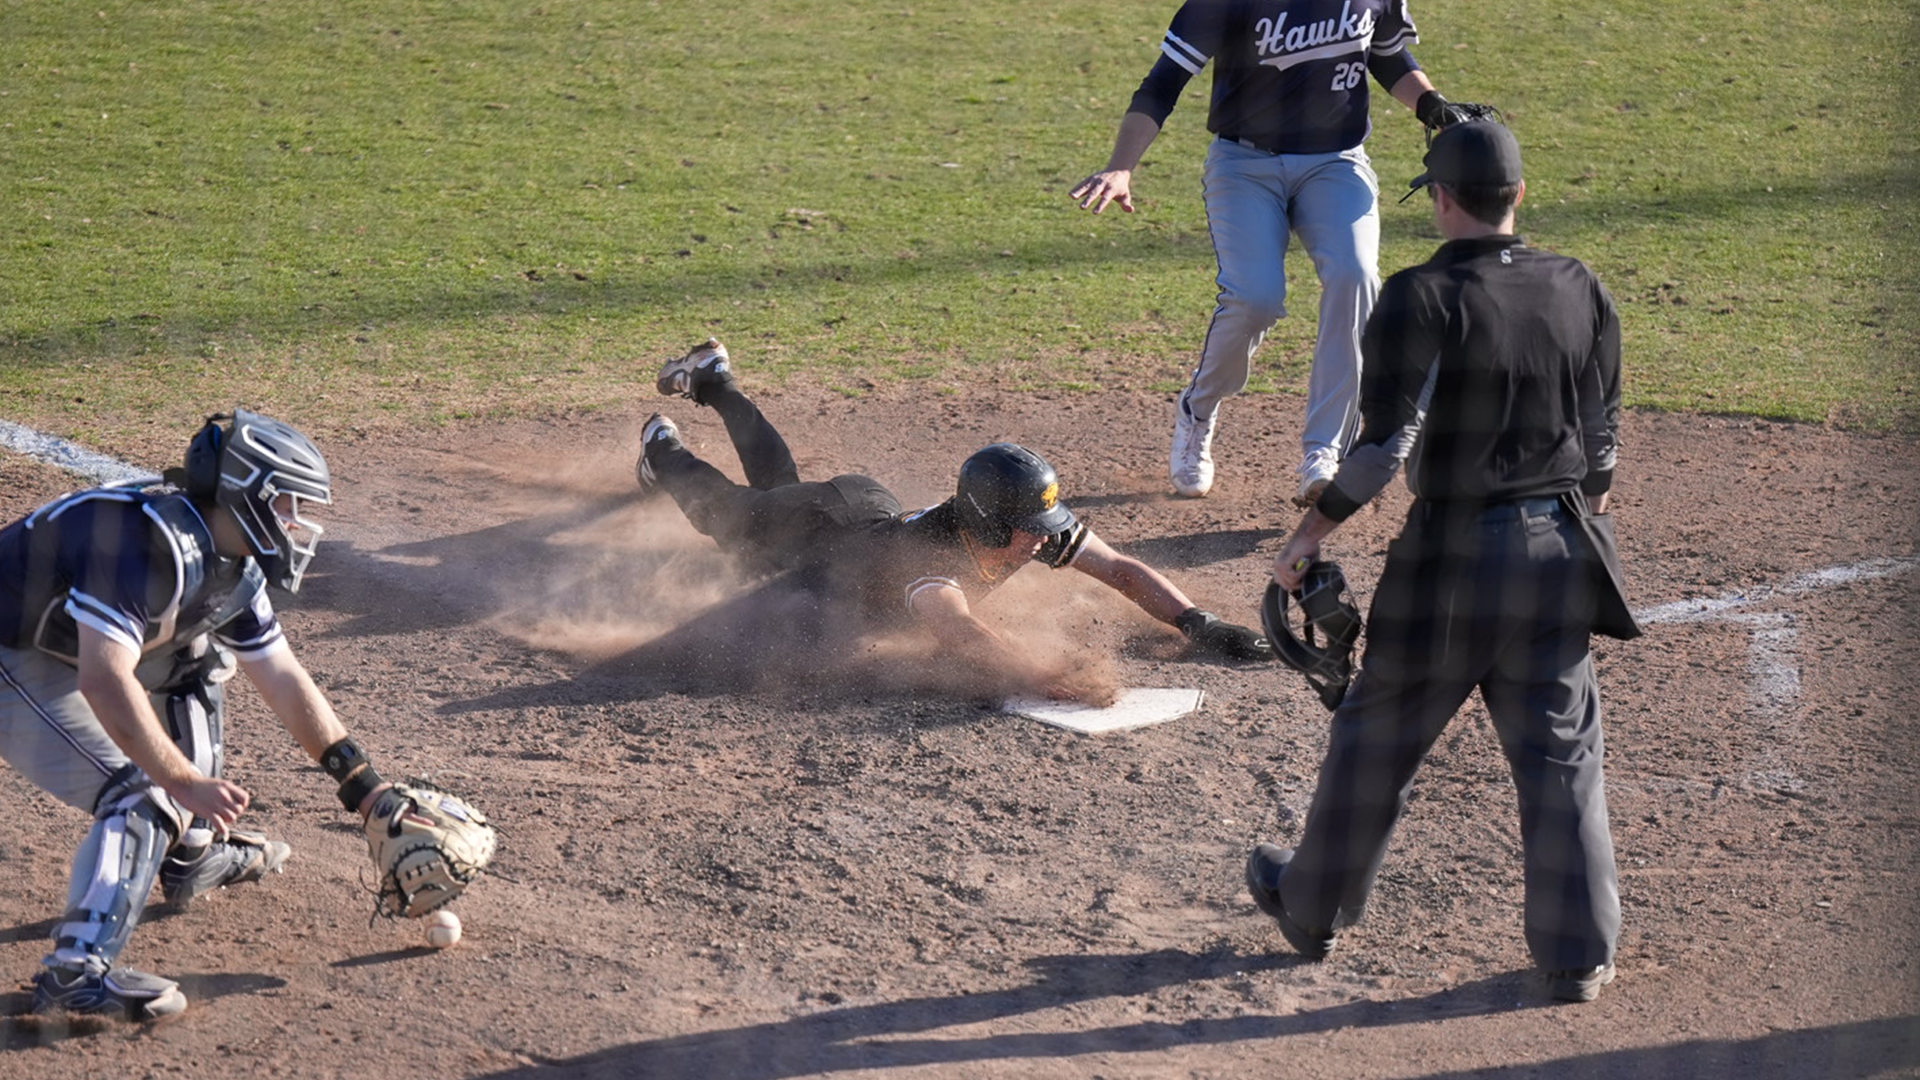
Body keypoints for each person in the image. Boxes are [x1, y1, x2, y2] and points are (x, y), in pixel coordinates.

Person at [1243, 121, 1638, 1003]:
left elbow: (1385, 449)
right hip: (1558, 550)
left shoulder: (1419, 297)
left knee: (1376, 732)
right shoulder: (1578, 286)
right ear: (1520, 198)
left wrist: (1309, 535)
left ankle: (1312, 910)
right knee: (1563, 758)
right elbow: (1602, 435)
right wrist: (1580, 516)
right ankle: (1578, 958)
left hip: (1452, 559)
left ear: (1444, 200)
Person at [1, 410, 426, 1020]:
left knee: (198, 664)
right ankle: (75, 971)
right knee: (144, 792)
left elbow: (282, 678)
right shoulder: (142, 546)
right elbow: (103, 679)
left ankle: (191, 853)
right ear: (244, 494)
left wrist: (365, 789)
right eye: (286, 504)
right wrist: (182, 782)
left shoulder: (233, 565)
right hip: (11, 655)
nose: (298, 523)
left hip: (59, 642)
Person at [634, 338, 1274, 697]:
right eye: (1030, 533)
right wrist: (1045, 676)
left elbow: (1118, 567)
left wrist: (1197, 622)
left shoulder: (1026, 525)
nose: (1041, 545)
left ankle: (714, 382)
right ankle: (662, 449)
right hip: (815, 531)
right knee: (728, 518)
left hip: (860, 511)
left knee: (776, 484)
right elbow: (960, 633)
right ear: (990, 522)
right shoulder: (933, 564)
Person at [1070, 0, 1482, 504]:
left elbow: (1386, 55)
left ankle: (1324, 454)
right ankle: (1198, 412)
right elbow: (1162, 83)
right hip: (1244, 164)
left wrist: (1432, 105)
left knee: (1357, 276)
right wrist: (1122, 166)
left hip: (1336, 162)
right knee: (1255, 298)